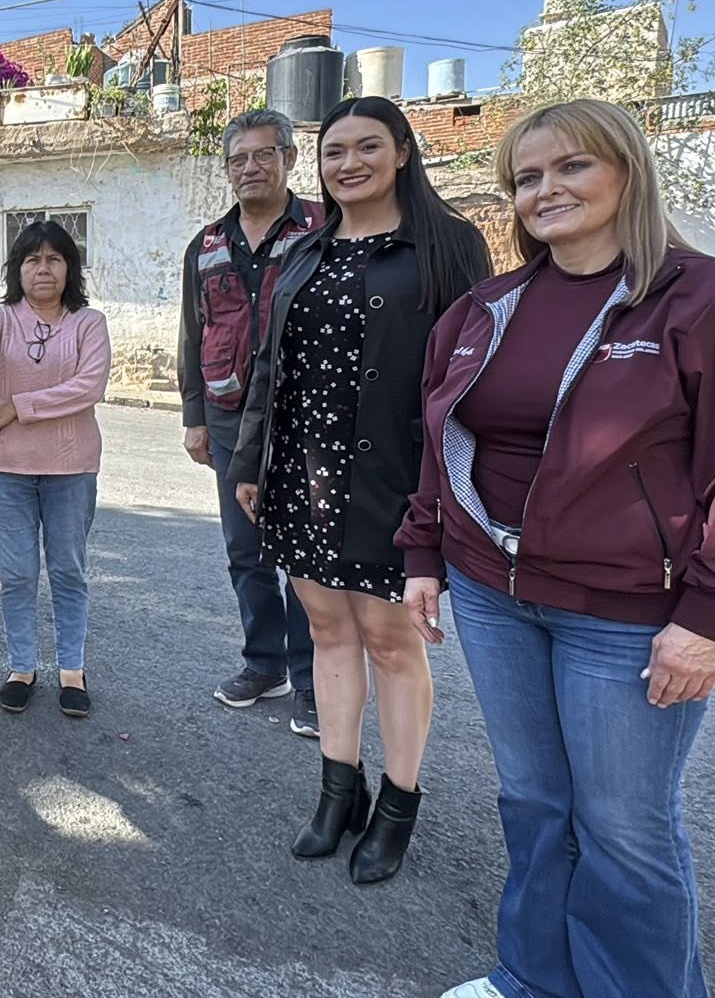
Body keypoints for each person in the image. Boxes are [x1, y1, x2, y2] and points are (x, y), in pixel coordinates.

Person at [400, 100, 715, 998]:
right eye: (527, 177)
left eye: (572, 166)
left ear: (627, 170)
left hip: (626, 615)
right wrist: (423, 553)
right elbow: (442, 440)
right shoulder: (485, 308)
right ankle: (532, 978)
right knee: (534, 804)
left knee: (626, 830)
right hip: (494, 594)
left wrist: (710, 618)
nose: (546, 190)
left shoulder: (713, 298)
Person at [232, 95, 492, 885]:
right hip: (303, 475)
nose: (349, 164)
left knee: (390, 641)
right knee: (327, 630)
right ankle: (337, 792)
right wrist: (250, 461)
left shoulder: (448, 245)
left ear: (404, 151)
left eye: (368, 146)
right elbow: (269, 364)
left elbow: (472, 379)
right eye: (335, 151)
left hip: (395, 479)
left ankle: (397, 804)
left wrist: (445, 493)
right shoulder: (308, 250)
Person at [178, 108, 325, 737]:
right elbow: (193, 333)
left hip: (304, 414)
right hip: (229, 415)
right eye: (238, 159)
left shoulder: (323, 228)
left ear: (289, 158)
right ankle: (265, 664)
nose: (250, 168)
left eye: (264, 154)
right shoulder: (207, 244)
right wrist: (195, 416)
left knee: (307, 555)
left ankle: (315, 681)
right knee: (246, 549)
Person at [0, 219, 112, 717]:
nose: (43, 269)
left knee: (68, 571)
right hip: (8, 470)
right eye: (32, 260)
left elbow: (89, 387)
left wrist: (18, 407)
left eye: (54, 259)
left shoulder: (89, 324)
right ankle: (21, 667)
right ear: (17, 270)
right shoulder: (2, 319)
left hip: (71, 469)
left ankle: (71, 670)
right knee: (19, 573)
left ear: (70, 268)